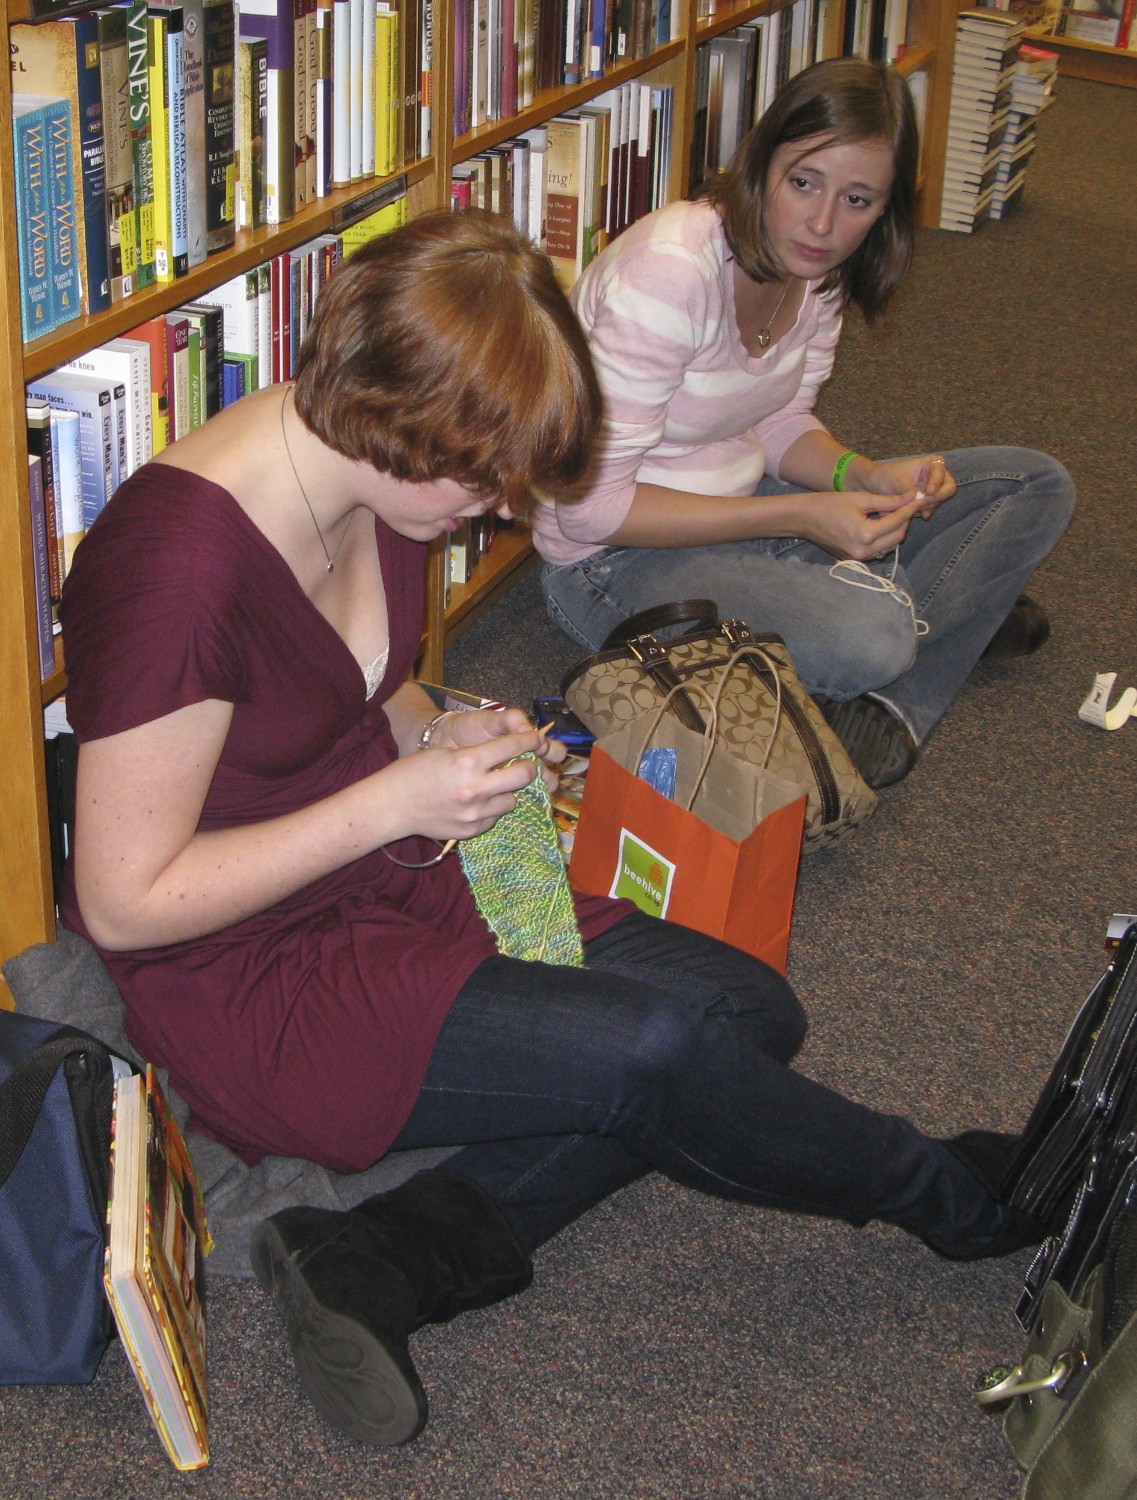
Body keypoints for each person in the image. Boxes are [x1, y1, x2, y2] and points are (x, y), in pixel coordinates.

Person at [60, 209, 1051, 1450]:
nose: (499, 508)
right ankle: (953, 1196)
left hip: (390, 865)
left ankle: (382, 1257)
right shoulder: (176, 573)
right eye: (483, 478)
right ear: (399, 417)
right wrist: (394, 801)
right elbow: (126, 903)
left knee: (748, 1011)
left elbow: (368, 689)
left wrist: (446, 734)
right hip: (248, 973)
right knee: (658, 1054)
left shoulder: (362, 467)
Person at [531, 59, 1076, 789]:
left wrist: (859, 473)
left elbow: (782, 418)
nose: (823, 224)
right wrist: (802, 516)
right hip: (612, 559)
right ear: (760, 166)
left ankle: (906, 620)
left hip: (745, 499)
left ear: (884, 208)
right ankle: (919, 657)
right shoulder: (672, 271)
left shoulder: (819, 270)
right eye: (803, 183)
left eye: (856, 200)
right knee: (872, 639)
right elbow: (587, 509)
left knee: (1033, 484)